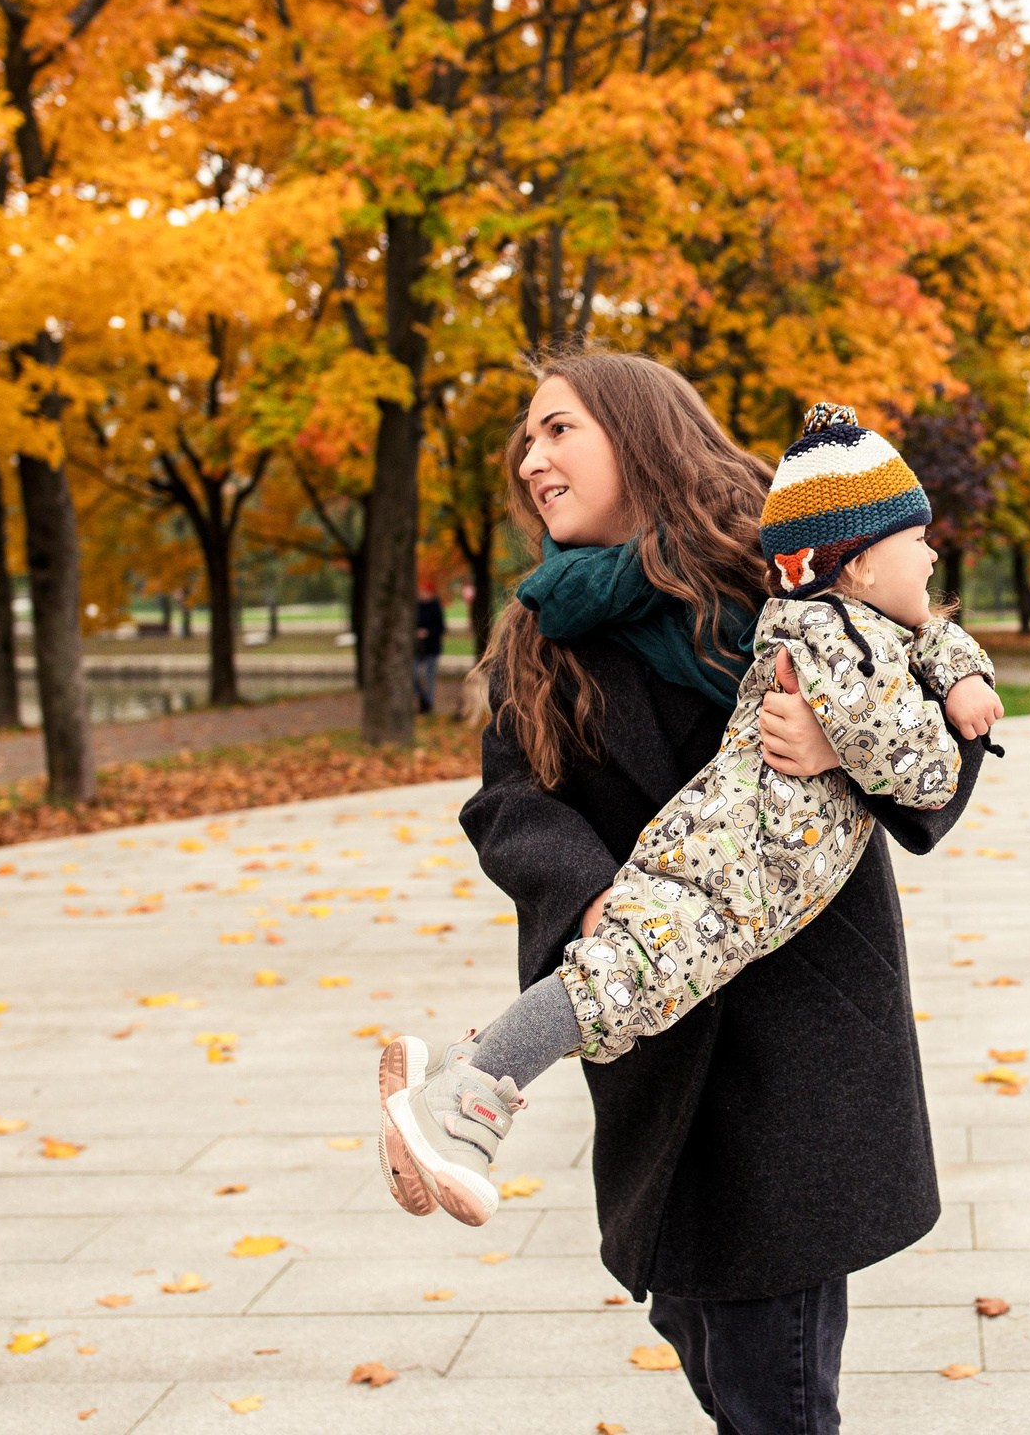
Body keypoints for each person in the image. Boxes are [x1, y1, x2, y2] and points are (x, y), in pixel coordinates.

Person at [397, 352, 993, 1435]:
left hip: (798, 1023)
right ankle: (465, 1084)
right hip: (653, 1003)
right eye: (525, 442)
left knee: (773, 1374)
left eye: (558, 430)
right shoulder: (540, 625)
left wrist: (833, 740)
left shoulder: (770, 567)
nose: (532, 459)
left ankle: (469, 1089)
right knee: (702, 1328)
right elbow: (507, 801)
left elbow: (934, 695)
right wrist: (586, 904)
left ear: (640, 436)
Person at [413, 582, 447, 716]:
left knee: (429, 676)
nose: (422, 594)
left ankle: (428, 703)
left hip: (431, 647)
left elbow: (441, 628)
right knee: (414, 674)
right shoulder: (416, 607)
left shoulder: (435, 607)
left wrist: (428, 633)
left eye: (424, 592)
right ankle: (423, 699)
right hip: (418, 648)